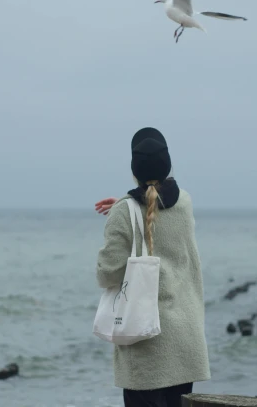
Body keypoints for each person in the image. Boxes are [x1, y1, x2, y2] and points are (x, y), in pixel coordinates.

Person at [94, 127, 211, 407]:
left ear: (134, 169)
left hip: (147, 343)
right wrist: (126, 207)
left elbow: (107, 273)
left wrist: (123, 211)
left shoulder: (125, 212)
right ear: (167, 164)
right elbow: (157, 210)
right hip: (184, 339)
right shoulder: (184, 201)